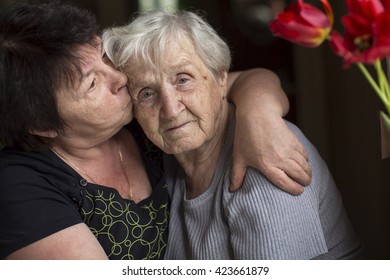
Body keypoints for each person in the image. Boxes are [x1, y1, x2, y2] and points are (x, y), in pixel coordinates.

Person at [0, 1, 310, 260]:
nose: (119, 78)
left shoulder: (143, 110)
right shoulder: (18, 183)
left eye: (106, 57)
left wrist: (260, 118)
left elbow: (239, 81)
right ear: (43, 125)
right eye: (92, 83)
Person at [103, 10, 363, 259]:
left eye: (183, 80)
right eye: (147, 93)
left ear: (220, 78)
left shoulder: (265, 160)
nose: (170, 110)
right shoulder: (166, 158)